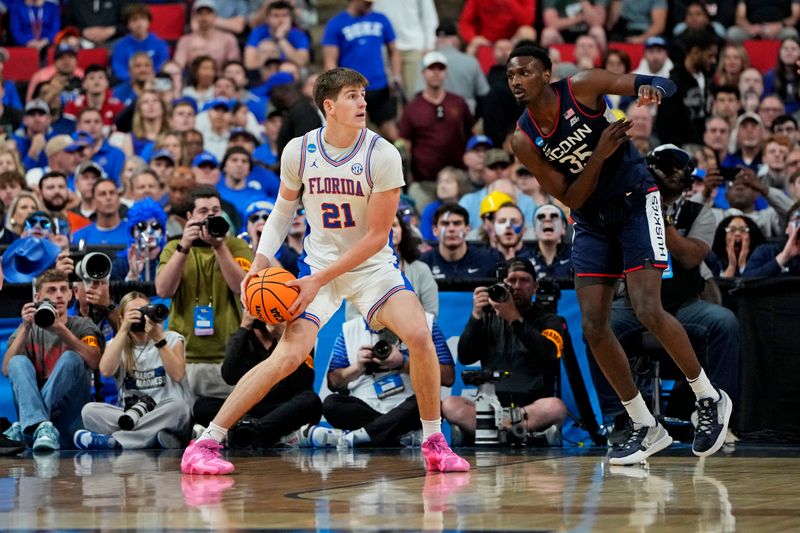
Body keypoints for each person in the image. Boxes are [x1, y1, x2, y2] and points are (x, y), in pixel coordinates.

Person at [180, 67, 469, 475]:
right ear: (329, 106)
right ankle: (207, 442)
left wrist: (318, 279)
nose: (363, 102)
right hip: (317, 265)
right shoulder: (299, 150)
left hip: (371, 269)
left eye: (364, 95)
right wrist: (258, 264)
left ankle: (434, 441)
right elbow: (282, 212)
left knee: (419, 334)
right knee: (287, 357)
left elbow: (376, 237)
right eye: (353, 95)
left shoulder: (382, 153)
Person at [507, 45, 732, 464]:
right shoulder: (522, 139)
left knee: (648, 306)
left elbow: (662, 82)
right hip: (590, 219)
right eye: (510, 75)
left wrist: (651, 91)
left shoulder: (584, 85)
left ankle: (708, 397)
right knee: (593, 327)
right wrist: (599, 153)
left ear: (546, 74)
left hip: (635, 200)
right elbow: (572, 195)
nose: (516, 81)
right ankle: (645, 424)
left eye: (524, 72)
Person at [588, 144, 740, 424]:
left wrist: (657, 212)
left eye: (678, 166)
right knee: (595, 328)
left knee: (725, 322)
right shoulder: (625, 208)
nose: (670, 172)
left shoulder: (700, 213)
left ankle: (715, 411)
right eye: (663, 166)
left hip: (684, 305)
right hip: (633, 304)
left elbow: (690, 256)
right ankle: (618, 419)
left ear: (689, 177)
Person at [442, 258, 568, 443]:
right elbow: (465, 357)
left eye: (524, 280)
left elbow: (550, 355)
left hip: (530, 408)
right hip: (488, 407)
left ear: (535, 286)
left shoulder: (550, 320)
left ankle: (492, 432)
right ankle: (516, 432)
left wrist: (514, 319)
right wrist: (476, 315)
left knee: (555, 407)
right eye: (511, 281)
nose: (517, 286)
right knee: (451, 405)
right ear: (503, 284)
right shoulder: (488, 318)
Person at [155, 186, 251, 407]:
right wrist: (184, 247)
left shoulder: (236, 245)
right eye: (203, 211)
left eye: (215, 210)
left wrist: (219, 246)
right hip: (184, 357)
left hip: (226, 358)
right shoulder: (173, 247)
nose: (210, 216)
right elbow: (163, 290)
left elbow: (241, 287)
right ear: (189, 216)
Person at [74, 292, 192, 450]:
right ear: (122, 318)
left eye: (144, 311)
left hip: (164, 412)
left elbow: (178, 374)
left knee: (180, 408)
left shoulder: (171, 339)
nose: (140, 317)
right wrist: (122, 330)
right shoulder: (117, 344)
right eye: (133, 313)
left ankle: (116, 441)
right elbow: (106, 371)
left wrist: (158, 339)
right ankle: (156, 439)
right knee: (88, 411)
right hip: (129, 416)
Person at [2, 269, 103, 450]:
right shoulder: (28, 329)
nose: (59, 295)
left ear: (71, 293)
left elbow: (95, 361)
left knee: (72, 357)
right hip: (40, 436)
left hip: (69, 422)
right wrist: (25, 328)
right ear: (38, 297)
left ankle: (34, 423)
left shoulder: (82, 324)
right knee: (17, 362)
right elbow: (6, 369)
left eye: (63, 289)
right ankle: (40, 425)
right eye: (51, 290)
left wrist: (61, 331)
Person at [322, 313, 453, 448]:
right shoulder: (350, 329)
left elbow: (448, 377)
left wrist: (404, 363)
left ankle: (360, 436)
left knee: (431, 402)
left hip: (408, 405)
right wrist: (358, 367)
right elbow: (334, 383)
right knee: (331, 404)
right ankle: (399, 437)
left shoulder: (426, 323)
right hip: (367, 406)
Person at [399, 51, 474, 213]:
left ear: (445, 72)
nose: (436, 73)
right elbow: (404, 144)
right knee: (426, 223)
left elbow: (471, 133)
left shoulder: (458, 102)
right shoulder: (413, 107)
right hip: (424, 183)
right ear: (423, 73)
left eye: (440, 69)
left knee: (458, 220)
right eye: (431, 68)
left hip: (457, 180)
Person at [322, 0, 402, 141]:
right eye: (366, 3)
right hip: (351, 88)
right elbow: (330, 60)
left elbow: (394, 50)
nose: (369, 5)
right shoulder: (336, 23)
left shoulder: (381, 19)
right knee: (354, 135)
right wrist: (336, 88)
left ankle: (399, 160)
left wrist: (396, 74)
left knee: (391, 133)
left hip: (379, 85)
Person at [420, 202, 503, 280]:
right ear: (435, 230)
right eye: (445, 224)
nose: (451, 229)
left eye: (457, 223)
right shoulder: (423, 264)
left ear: (468, 229)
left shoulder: (488, 260)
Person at [743, 202, 800, 276]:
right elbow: (745, 282)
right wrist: (784, 256)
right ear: (787, 228)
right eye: (798, 219)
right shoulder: (766, 251)